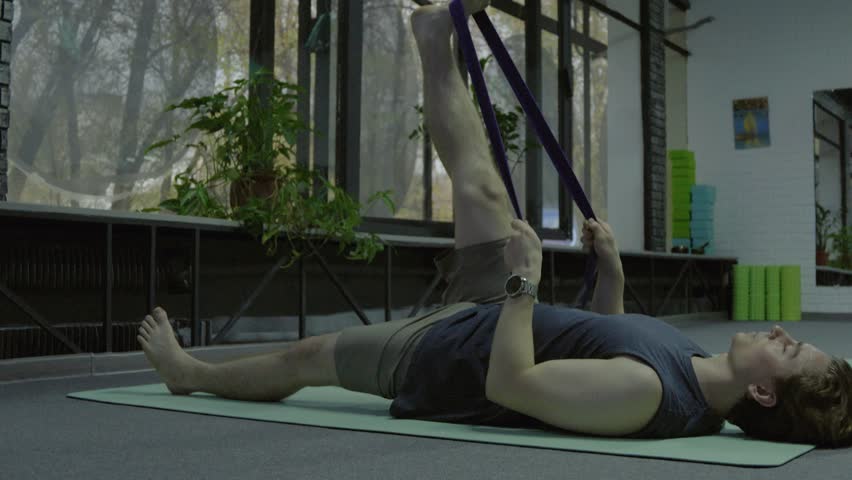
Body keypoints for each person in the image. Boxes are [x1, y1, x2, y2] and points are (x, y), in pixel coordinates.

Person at [137, 0, 852, 447]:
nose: (782, 332)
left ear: (763, 393)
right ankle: (431, 36)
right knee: (481, 182)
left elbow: (512, 384)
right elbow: (608, 339)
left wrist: (523, 281)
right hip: (500, 309)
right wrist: (611, 275)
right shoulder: (692, 372)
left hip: (455, 353)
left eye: (790, 350)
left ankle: (190, 374)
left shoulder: (652, 397)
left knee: (310, 357)